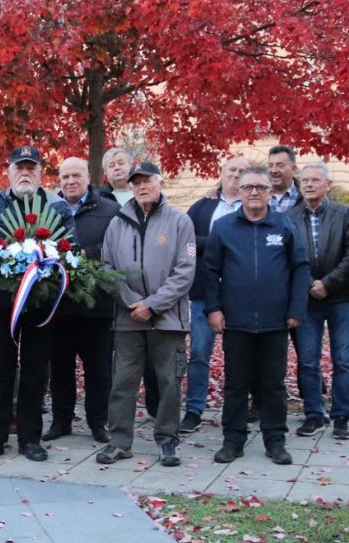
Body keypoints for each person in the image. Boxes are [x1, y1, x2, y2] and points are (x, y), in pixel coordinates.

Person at [0, 145, 77, 463]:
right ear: (9, 172)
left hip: (41, 305)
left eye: (32, 168)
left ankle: (30, 438)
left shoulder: (55, 206)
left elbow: (72, 250)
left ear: (41, 173)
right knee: (0, 370)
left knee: (35, 371)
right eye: (20, 168)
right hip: (1, 304)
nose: (25, 173)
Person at [204, 167, 310, 465]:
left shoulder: (284, 225)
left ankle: (275, 441)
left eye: (261, 187)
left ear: (269, 192)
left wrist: (296, 309)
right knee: (235, 384)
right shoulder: (223, 227)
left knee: (274, 384)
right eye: (248, 186)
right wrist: (213, 309)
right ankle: (233, 441)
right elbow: (210, 272)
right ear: (238, 191)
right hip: (235, 321)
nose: (254, 192)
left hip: (276, 321)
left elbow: (301, 268)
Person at [97, 162, 195, 465]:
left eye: (147, 181)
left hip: (168, 320)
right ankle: (120, 441)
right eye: (136, 182)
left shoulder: (180, 222)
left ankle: (167, 440)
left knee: (168, 382)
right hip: (128, 320)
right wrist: (132, 303)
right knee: (123, 383)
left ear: (160, 182)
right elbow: (106, 269)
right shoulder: (117, 223)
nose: (141, 186)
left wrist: (152, 304)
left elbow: (185, 271)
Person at [44, 157, 118, 444]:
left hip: (95, 306)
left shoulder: (110, 210)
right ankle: (61, 421)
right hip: (58, 305)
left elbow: (119, 247)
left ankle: (98, 423)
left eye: (77, 175)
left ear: (89, 177)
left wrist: (88, 253)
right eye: (65, 176)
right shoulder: (49, 210)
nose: (71, 181)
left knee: (98, 370)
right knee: (60, 369)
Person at [287, 163, 349, 439]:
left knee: (342, 359)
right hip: (306, 300)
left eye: (316, 180)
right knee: (308, 361)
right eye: (304, 180)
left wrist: (328, 284)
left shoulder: (344, 214)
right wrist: (309, 285)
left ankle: (341, 416)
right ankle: (313, 414)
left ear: (328, 184)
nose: (309, 185)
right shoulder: (289, 216)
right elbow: (287, 257)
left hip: (340, 297)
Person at [179, 155, 248, 434]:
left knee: (242, 355)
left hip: (241, 295)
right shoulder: (203, 207)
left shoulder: (255, 207)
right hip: (203, 293)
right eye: (231, 170)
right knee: (198, 353)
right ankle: (194, 409)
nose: (236, 175)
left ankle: (241, 410)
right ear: (221, 173)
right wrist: (216, 245)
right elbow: (184, 244)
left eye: (242, 171)